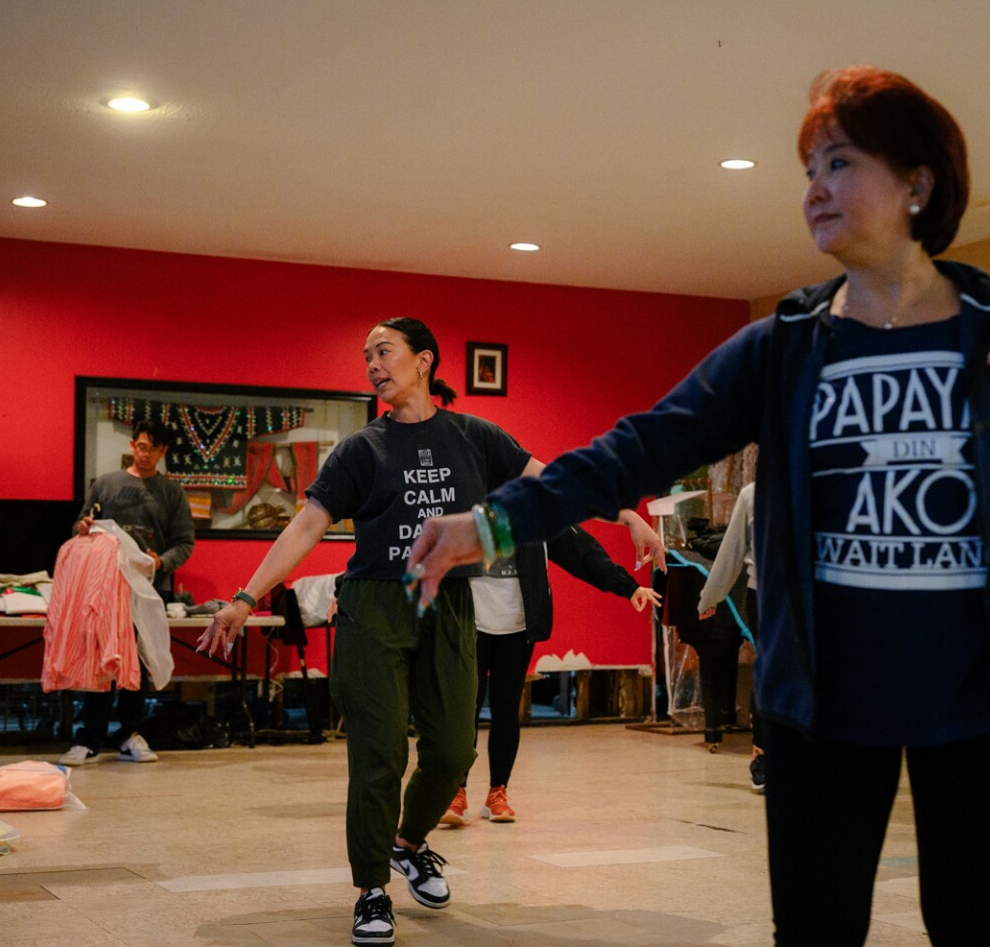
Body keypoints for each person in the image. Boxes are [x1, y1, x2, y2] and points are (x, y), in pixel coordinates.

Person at [400, 66, 990, 947]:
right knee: (815, 929)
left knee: (974, 922)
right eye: (809, 168)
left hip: (982, 690)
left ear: (918, 182)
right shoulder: (784, 347)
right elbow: (637, 448)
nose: (814, 189)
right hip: (825, 694)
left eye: (839, 163)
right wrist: (492, 522)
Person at [196, 317, 661, 947]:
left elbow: (553, 484)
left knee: (451, 750)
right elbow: (306, 526)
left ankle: (407, 845)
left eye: (383, 352)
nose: (372, 366)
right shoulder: (362, 449)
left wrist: (626, 511)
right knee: (380, 751)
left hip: (447, 603)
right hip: (375, 604)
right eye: (366, 357)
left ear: (425, 361)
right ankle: (370, 892)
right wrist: (246, 598)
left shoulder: (474, 437)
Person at [440, 526, 660, 826]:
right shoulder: (469, 499)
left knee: (507, 709)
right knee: (465, 708)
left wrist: (628, 586)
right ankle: (456, 789)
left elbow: (582, 553)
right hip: (469, 620)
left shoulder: (537, 511)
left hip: (518, 624)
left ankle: (497, 793)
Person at [60, 419, 193, 766]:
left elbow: (184, 543)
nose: (147, 454)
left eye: (156, 449)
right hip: (104, 587)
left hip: (149, 589)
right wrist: (83, 526)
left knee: (139, 663)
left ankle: (130, 734)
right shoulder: (105, 484)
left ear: (163, 452)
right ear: (133, 445)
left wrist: (159, 563)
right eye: (142, 447)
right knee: (100, 660)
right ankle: (88, 738)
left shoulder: (172, 493)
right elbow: (80, 526)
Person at [696, 482, 766, 791]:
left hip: (814, 595)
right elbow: (733, 551)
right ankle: (762, 753)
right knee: (768, 672)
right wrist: (709, 597)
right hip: (765, 594)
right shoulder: (753, 494)